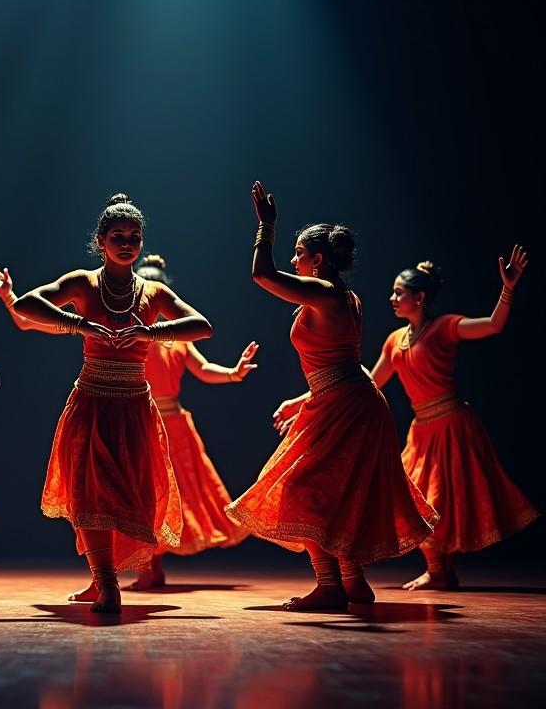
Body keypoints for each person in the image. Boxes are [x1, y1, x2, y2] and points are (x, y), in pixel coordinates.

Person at [228, 181, 437, 610]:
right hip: (345, 398)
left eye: (299, 253)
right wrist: (304, 398)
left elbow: (261, 275)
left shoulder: (324, 292)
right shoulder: (344, 296)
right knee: (332, 494)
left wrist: (265, 227)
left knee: (302, 491)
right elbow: (339, 364)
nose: (294, 259)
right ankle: (352, 581)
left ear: (318, 260)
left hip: (347, 404)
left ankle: (329, 585)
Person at [9, 193, 213, 614]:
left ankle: (108, 578)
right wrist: (77, 323)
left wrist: (151, 333)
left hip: (135, 405)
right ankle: (106, 583)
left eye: (134, 237)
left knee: (128, 494)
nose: (126, 243)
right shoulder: (84, 283)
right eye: (117, 235)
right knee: (88, 493)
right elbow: (25, 303)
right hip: (91, 400)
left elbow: (203, 326)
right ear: (100, 240)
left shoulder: (152, 292)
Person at [367, 251, 537, 590]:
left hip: (452, 427)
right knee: (413, 501)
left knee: (437, 502)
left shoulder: (444, 328)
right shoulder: (394, 342)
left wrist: (508, 289)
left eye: (399, 292)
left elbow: (492, 325)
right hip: (422, 432)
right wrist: (309, 400)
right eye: (393, 291)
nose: (392, 298)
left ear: (420, 297)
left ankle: (438, 571)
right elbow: (370, 384)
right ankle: (440, 571)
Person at [124, 254, 256, 590]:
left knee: (176, 495)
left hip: (175, 426)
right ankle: (148, 564)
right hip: (143, 422)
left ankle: (152, 563)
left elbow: (203, 368)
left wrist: (233, 373)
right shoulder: (131, 333)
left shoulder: (177, 338)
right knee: (145, 495)